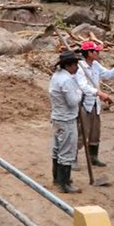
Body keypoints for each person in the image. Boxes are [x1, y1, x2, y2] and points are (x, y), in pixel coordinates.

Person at [76, 41, 114, 168]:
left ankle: (93, 157)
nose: (98, 53)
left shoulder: (95, 65)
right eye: (96, 51)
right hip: (84, 102)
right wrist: (99, 93)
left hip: (95, 104)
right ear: (89, 53)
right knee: (82, 131)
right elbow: (83, 87)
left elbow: (107, 75)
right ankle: (72, 158)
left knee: (95, 131)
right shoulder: (80, 67)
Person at [49, 50, 84, 194]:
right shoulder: (67, 80)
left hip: (57, 116)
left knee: (57, 148)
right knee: (67, 150)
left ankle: (57, 178)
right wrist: (80, 92)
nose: (77, 67)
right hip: (67, 119)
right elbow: (72, 101)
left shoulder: (56, 76)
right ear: (69, 65)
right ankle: (65, 184)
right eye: (75, 64)